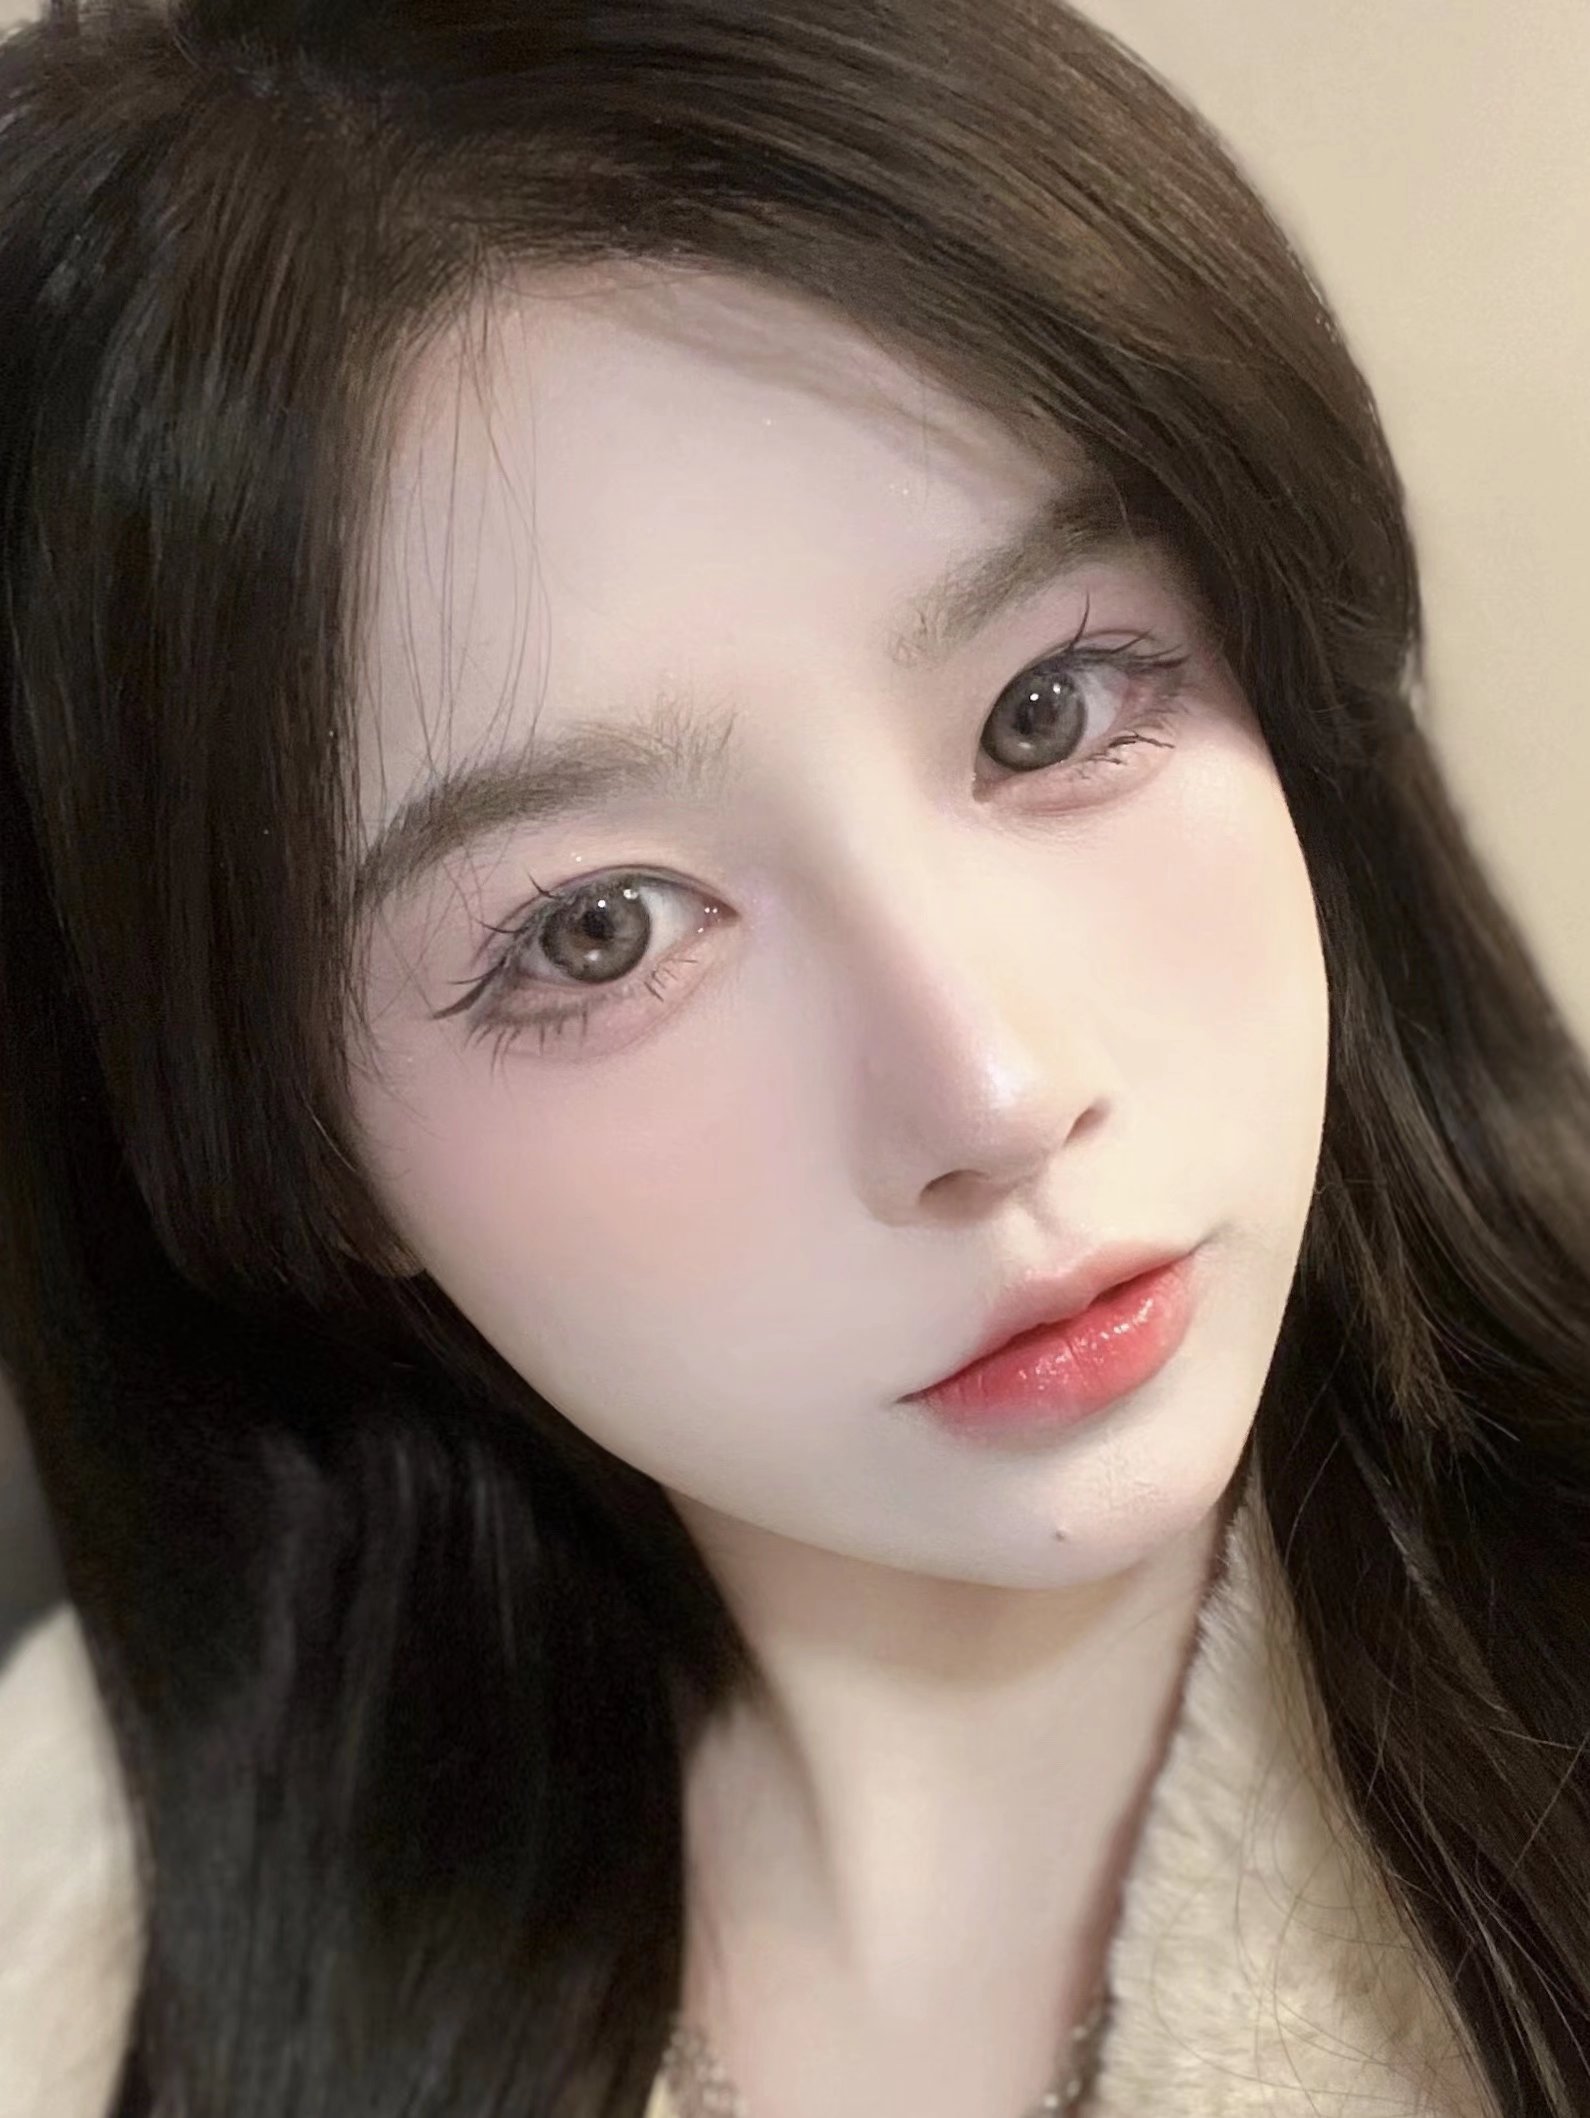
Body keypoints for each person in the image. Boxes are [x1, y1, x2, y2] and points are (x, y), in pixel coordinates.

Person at [0, 0, 1586, 2112]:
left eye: (1048, 709)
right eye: (598, 927)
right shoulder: (65, 1952)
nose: (991, 1095)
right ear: (280, 1128)